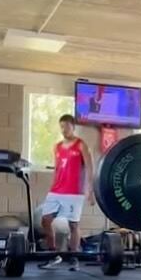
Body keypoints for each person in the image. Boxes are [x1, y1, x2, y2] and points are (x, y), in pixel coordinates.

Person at [39, 114, 94, 271]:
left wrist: (90, 189)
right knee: (45, 220)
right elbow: (57, 169)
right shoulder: (57, 147)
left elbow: (90, 168)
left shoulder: (81, 145)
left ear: (73, 127)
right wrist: (52, 186)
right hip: (57, 190)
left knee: (73, 224)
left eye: (67, 127)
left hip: (74, 192)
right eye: (62, 127)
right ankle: (53, 254)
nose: (64, 130)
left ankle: (74, 257)